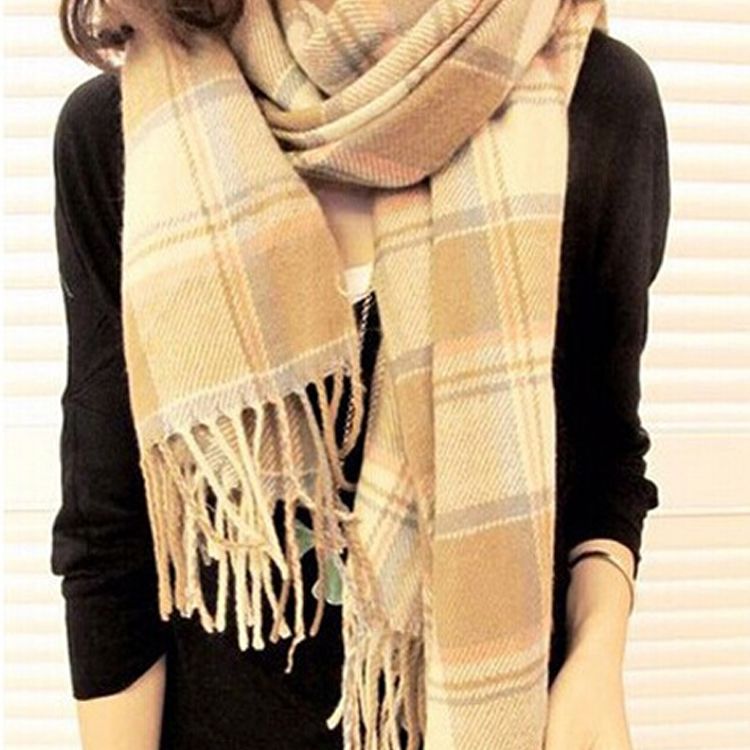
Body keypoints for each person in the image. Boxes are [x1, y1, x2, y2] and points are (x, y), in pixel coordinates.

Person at [50, 1, 670, 748]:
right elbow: (110, 525)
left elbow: (603, 454)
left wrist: (597, 654)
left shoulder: (597, 102)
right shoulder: (128, 126)